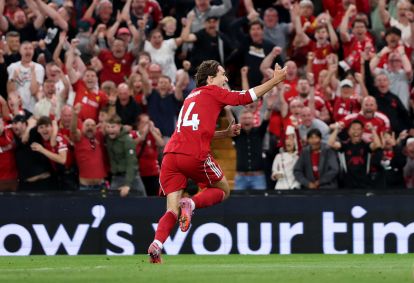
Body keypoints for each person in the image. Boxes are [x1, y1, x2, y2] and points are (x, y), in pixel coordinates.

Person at [147, 59, 286, 263]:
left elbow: (197, 131)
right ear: (211, 78)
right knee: (223, 190)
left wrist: (224, 133)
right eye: (223, 74)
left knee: (171, 209)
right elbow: (246, 97)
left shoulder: (190, 96)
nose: (226, 78)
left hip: (170, 156)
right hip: (194, 155)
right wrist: (275, 81)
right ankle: (191, 203)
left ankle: (157, 245)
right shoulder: (213, 91)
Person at [105, 115, 146, 197]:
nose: (110, 129)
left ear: (119, 126)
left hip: (132, 178)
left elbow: (131, 164)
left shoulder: (127, 140)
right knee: (111, 204)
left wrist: (127, 185)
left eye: (113, 127)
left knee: (143, 202)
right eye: (108, 127)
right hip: (116, 178)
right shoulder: (108, 139)